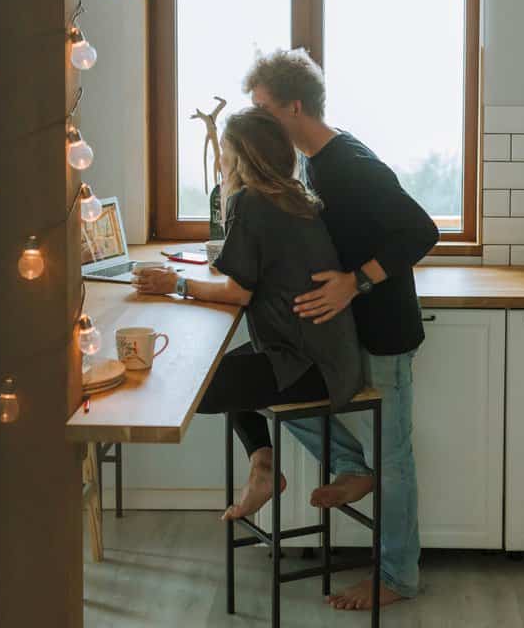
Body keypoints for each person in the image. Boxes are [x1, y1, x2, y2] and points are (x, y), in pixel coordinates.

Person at [244, 48, 439, 612]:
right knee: (277, 389)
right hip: (349, 331)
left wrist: (356, 282)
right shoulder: (313, 161)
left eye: (263, 109)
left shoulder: (348, 162)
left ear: (295, 106)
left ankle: (398, 577)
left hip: (385, 329)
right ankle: (354, 468)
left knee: (396, 457)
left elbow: (420, 232)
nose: (257, 120)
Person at [133, 107, 363, 522]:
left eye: (224, 150)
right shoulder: (292, 197)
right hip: (328, 356)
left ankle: (271, 467)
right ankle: (264, 468)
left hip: (306, 363)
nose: (219, 159)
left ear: (240, 158)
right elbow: (253, 268)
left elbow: (239, 293)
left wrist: (177, 285)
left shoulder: (251, 202)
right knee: (215, 368)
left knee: (193, 389)